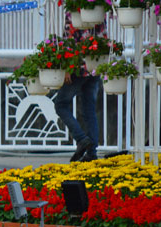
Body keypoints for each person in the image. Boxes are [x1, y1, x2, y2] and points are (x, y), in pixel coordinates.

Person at [54, 13, 107, 163]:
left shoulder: (74, 11)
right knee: (89, 110)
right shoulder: (98, 8)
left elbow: (69, 40)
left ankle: (81, 139)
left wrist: (67, 67)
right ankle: (92, 153)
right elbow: (103, 35)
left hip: (78, 67)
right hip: (95, 64)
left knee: (60, 105)